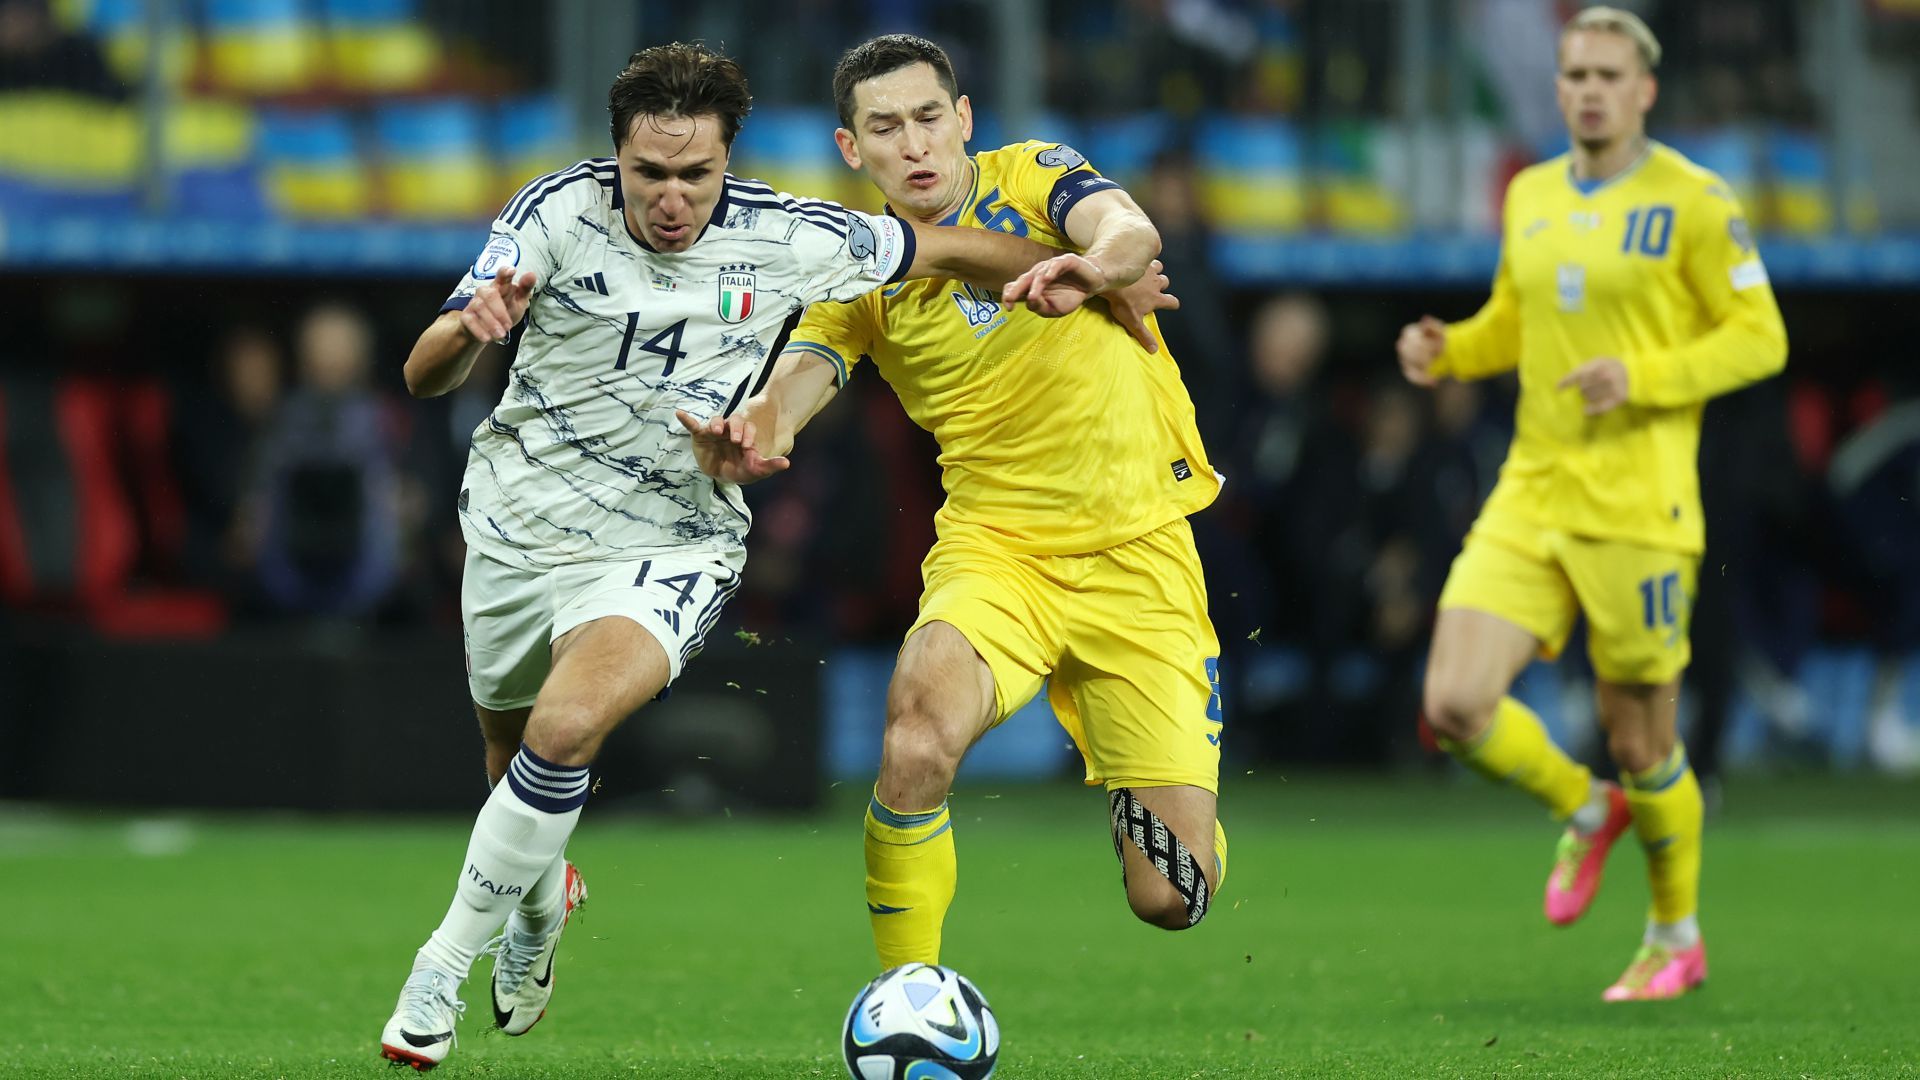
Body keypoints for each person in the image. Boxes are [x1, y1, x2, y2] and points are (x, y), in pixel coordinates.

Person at [376, 41, 1102, 1070]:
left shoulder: (791, 234)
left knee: (565, 727)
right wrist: (471, 331)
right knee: (512, 763)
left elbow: (948, 249)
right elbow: (421, 375)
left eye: (696, 174)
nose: (672, 198)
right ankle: (536, 913)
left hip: (672, 539)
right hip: (517, 528)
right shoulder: (553, 214)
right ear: (617, 159)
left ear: (728, 162)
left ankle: (438, 970)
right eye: (649, 173)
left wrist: (1086, 275)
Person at [682, 34, 1226, 972]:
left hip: (1140, 554)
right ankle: (908, 992)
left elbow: (1130, 229)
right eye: (885, 127)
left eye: (929, 117)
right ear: (852, 148)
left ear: (964, 118)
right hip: (998, 553)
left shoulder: (1032, 175)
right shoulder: (858, 275)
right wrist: (752, 430)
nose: (915, 144)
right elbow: (795, 386)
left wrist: (1098, 267)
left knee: (1171, 898)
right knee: (918, 731)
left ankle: (1172, 815)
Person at [1394, 7, 1786, 1001]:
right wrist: (1453, 350)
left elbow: (1761, 337)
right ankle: (1584, 807)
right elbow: (1516, 320)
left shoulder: (1696, 201)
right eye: (1576, 75)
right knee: (1454, 704)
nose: (1590, 91)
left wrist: (1643, 377)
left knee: (1642, 738)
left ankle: (1675, 936)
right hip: (1533, 490)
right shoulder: (1530, 191)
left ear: (1645, 90)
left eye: (1610, 75)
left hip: (1638, 507)